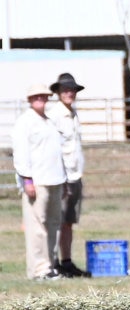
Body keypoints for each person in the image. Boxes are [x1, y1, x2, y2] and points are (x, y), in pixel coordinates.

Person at [11, 82, 66, 280]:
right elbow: (21, 154)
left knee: (53, 224)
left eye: (43, 96)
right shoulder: (25, 122)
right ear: (30, 99)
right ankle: (38, 269)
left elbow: (58, 152)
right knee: (37, 227)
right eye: (36, 96)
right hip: (37, 181)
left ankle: (50, 265)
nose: (40, 99)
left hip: (55, 179)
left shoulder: (49, 121)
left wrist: (64, 180)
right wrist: (27, 180)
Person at [48, 72, 90, 277]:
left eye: (72, 90)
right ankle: (53, 262)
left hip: (75, 175)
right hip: (62, 176)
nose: (69, 93)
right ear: (57, 92)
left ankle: (66, 261)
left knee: (68, 221)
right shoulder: (54, 116)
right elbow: (53, 149)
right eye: (65, 90)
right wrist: (60, 177)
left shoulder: (73, 114)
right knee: (57, 220)